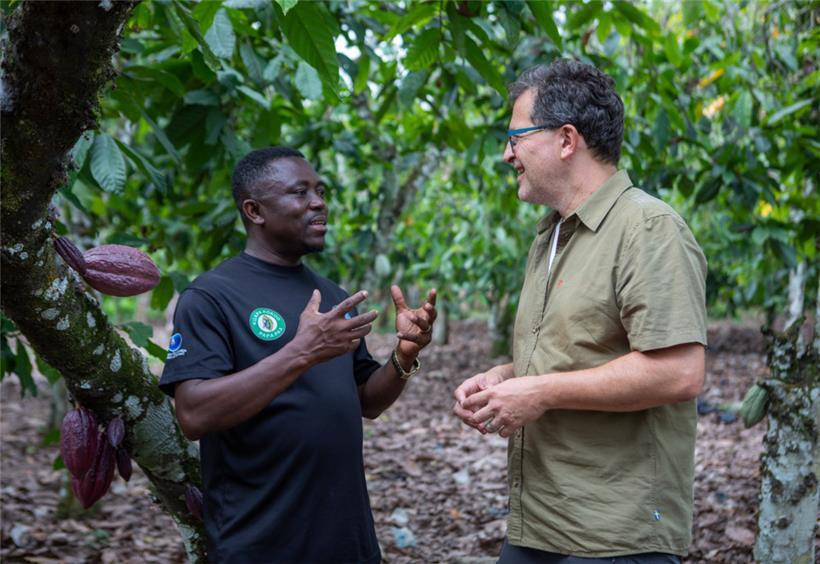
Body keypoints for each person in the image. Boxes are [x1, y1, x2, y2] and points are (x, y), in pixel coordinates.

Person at [453, 59, 707, 563]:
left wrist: (539, 391)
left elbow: (679, 372)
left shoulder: (647, 228)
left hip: (614, 529)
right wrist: (505, 378)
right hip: (541, 518)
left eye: (516, 138)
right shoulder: (551, 234)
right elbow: (579, 350)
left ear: (567, 140)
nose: (508, 154)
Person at [159, 146, 437, 563]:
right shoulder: (211, 297)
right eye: (300, 192)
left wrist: (405, 355)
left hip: (347, 540)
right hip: (260, 544)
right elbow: (194, 415)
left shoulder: (333, 296)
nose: (319, 203)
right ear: (254, 211)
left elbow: (366, 400)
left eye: (320, 191)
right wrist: (302, 351)